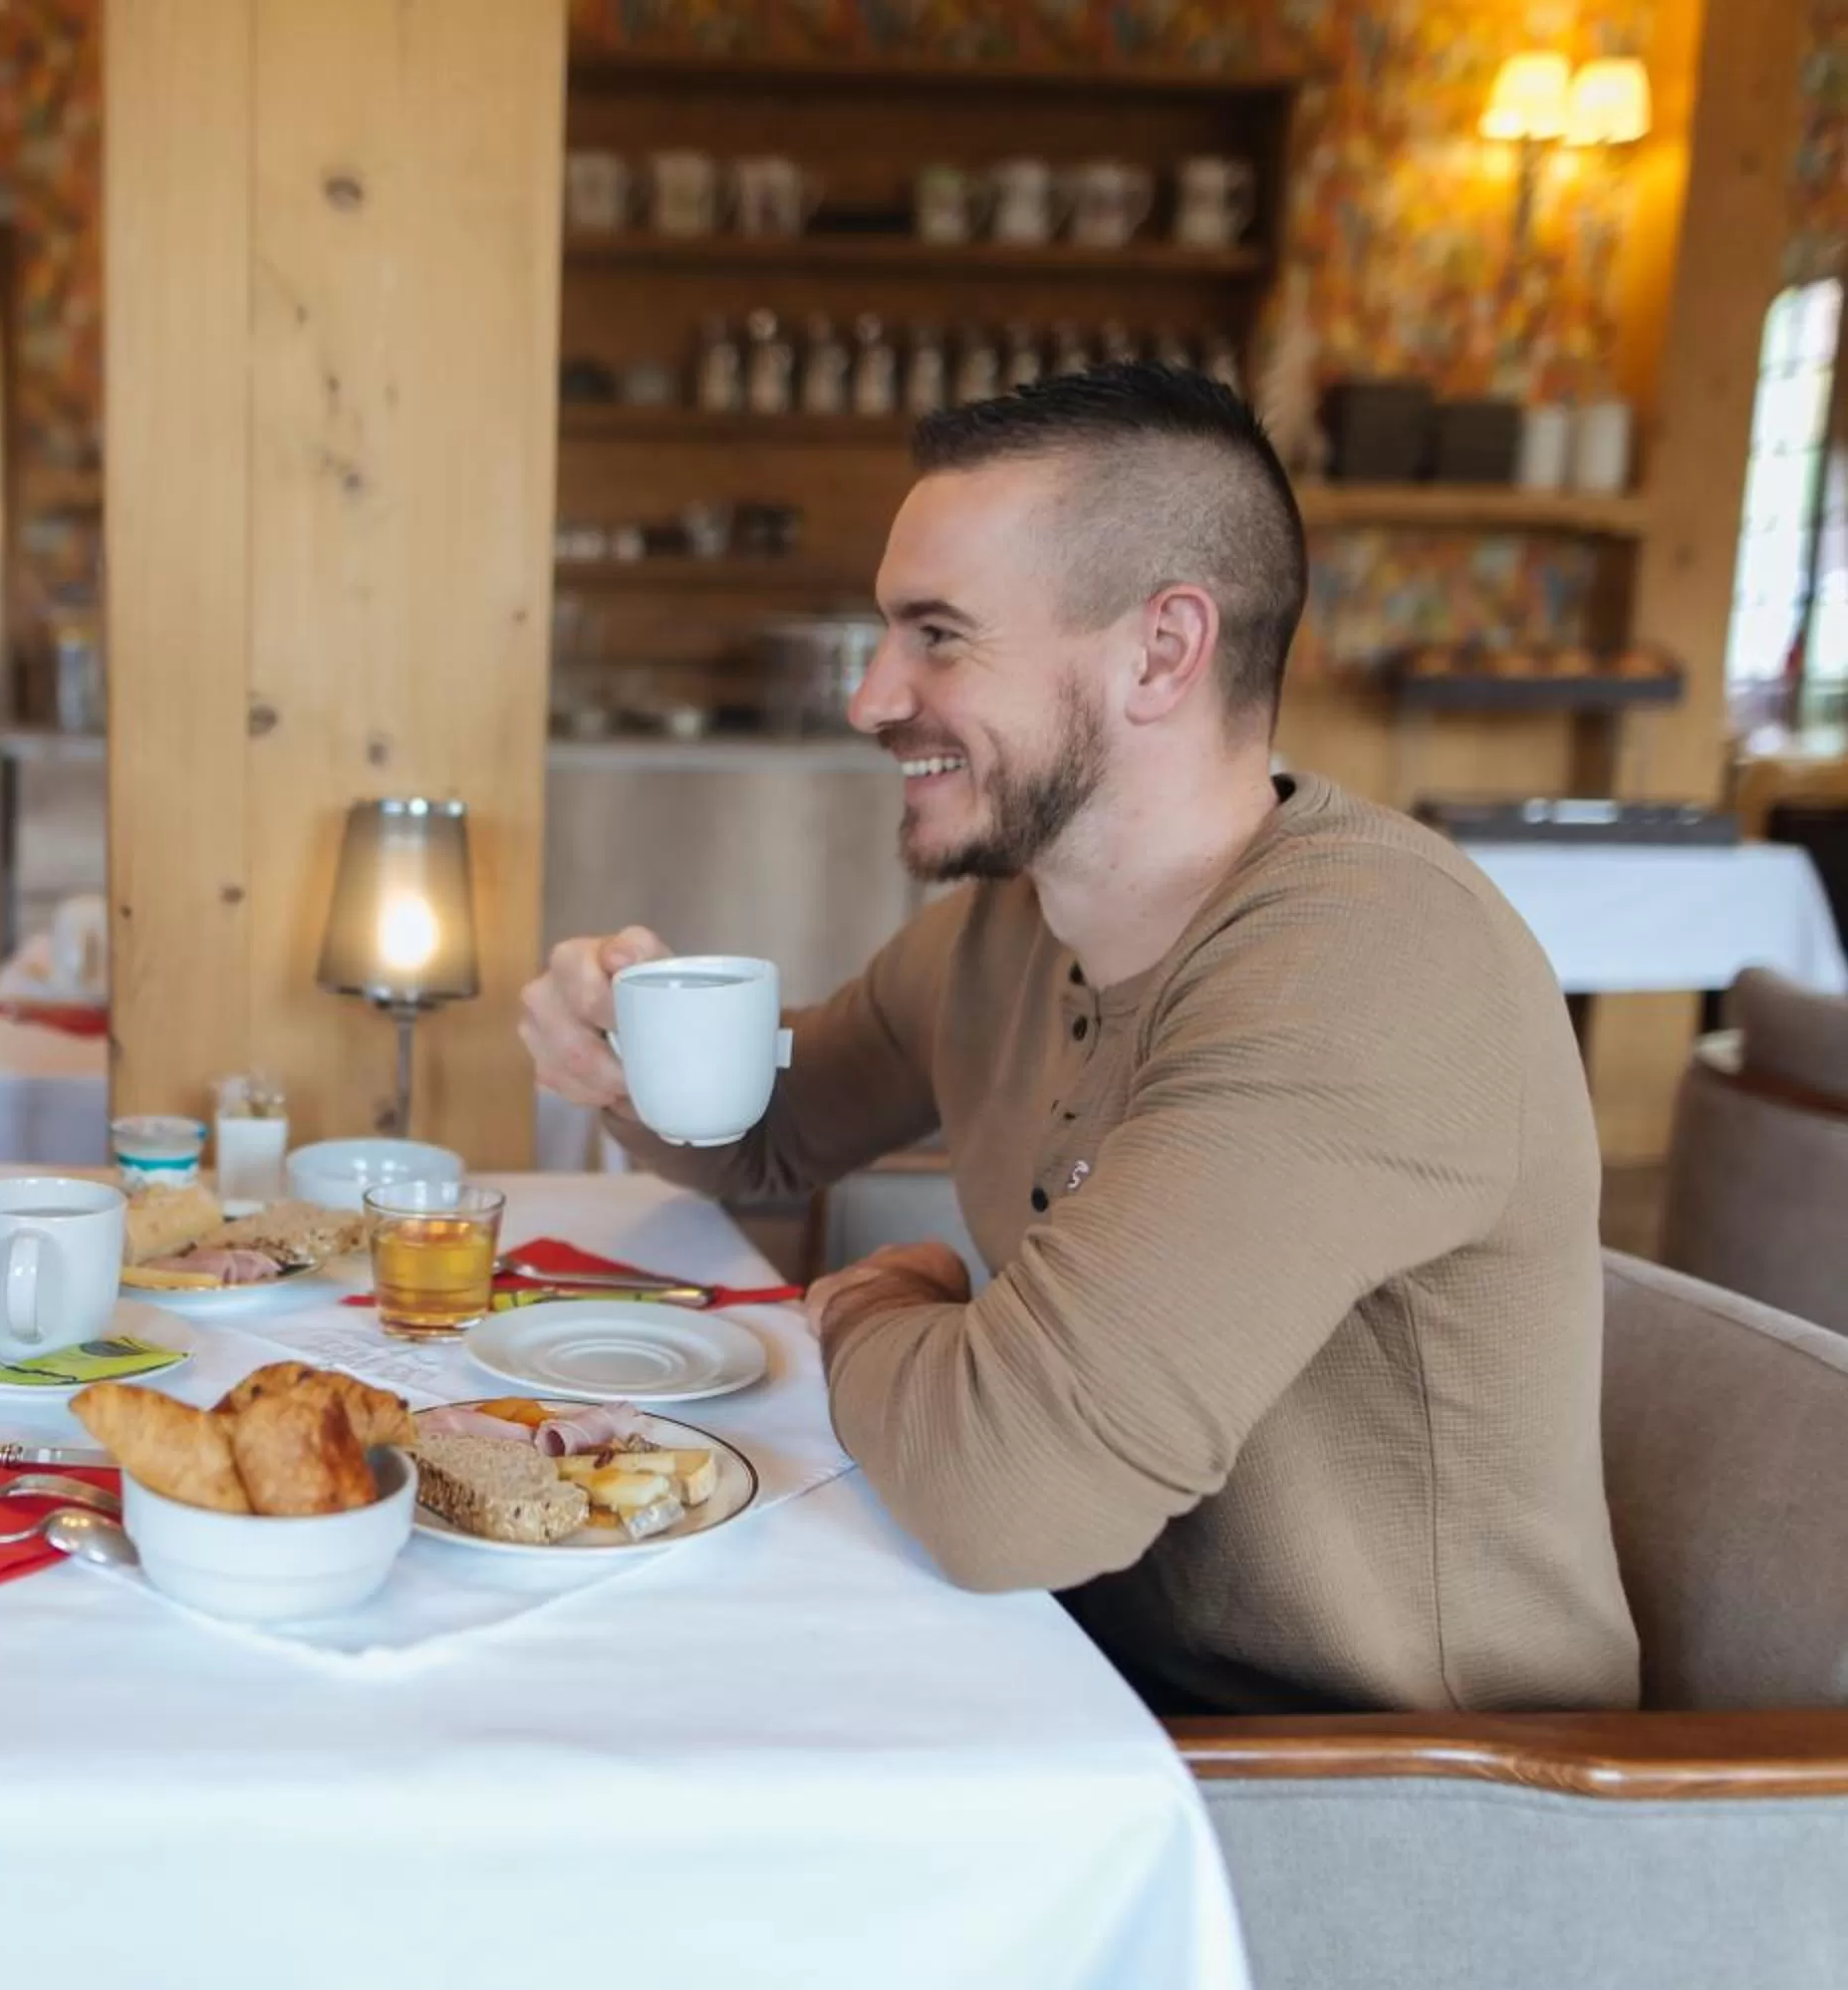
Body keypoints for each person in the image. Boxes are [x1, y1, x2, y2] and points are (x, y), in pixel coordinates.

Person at [523, 364, 1639, 1717]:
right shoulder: (1013, 927)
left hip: (1388, 1796)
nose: (872, 698)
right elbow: (769, 1136)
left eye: (937, 636)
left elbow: (1007, 1494)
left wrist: (869, 1302)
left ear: (1163, 652)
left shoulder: (1365, 964)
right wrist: (625, 1059)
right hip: (1092, 1679)